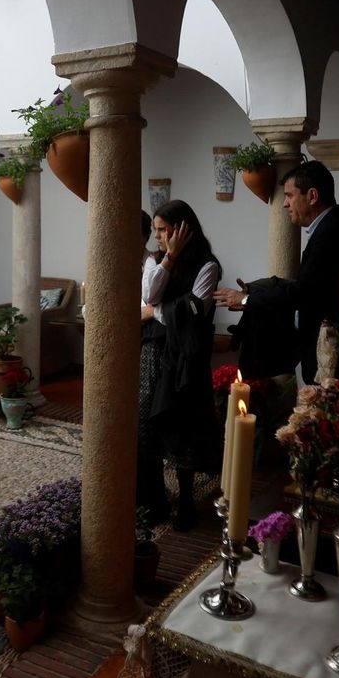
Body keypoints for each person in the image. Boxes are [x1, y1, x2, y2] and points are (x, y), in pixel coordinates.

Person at [214, 160, 339, 383]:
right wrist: (255, 292)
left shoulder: (331, 233)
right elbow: (314, 285)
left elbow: (303, 293)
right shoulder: (335, 225)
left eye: (290, 195)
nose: (285, 204)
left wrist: (247, 300)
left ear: (312, 196)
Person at [138, 200, 222, 530]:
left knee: (184, 426)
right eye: (156, 230)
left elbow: (194, 310)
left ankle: (186, 499)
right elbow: (149, 292)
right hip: (152, 353)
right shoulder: (156, 260)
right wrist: (169, 259)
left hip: (186, 356)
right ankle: (153, 498)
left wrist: (154, 312)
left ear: (183, 229)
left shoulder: (208, 265)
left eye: (163, 230)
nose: (157, 236)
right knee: (147, 425)